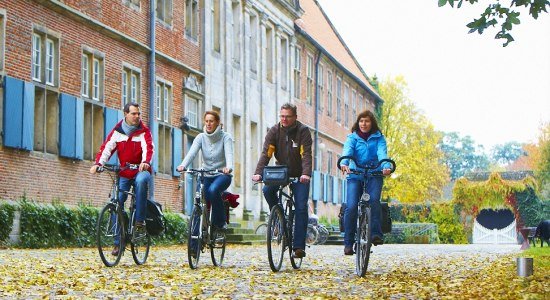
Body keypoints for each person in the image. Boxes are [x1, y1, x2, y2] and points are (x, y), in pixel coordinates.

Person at [90, 102, 154, 256]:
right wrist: (98, 164)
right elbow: (107, 148)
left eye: (138, 113)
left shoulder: (144, 132)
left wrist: (145, 162)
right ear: (125, 114)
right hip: (124, 172)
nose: (137, 116)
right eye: (133, 113)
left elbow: (149, 149)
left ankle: (139, 221)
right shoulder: (117, 131)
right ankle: (118, 243)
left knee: (140, 182)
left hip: (140, 170)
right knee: (116, 201)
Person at [252, 103, 312, 258]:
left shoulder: (303, 131)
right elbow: (267, 153)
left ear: (295, 117)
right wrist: (258, 173)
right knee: (267, 190)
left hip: (300, 175)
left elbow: (306, 155)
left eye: (288, 116)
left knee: (300, 207)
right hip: (281, 172)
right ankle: (278, 218)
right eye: (282, 116)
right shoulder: (274, 131)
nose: (284, 119)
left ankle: (298, 247)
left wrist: (306, 173)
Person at [340, 110, 391, 256]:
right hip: (355, 174)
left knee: (374, 200)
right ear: (358, 123)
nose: (364, 124)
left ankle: (376, 234)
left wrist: (385, 166)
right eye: (361, 121)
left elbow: (382, 153)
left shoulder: (379, 138)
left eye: (367, 121)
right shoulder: (352, 137)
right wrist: (344, 163)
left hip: (374, 173)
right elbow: (347, 151)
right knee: (351, 207)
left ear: (372, 123)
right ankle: (348, 243)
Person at [176, 111, 234, 231]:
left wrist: (228, 167)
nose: (208, 124)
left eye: (211, 121)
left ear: (217, 123)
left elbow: (229, 154)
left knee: (213, 191)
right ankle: (194, 242)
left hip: (222, 174)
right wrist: (182, 165)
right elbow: (191, 154)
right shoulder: (200, 137)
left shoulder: (225, 137)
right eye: (206, 121)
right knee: (199, 199)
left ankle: (220, 222)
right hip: (205, 174)